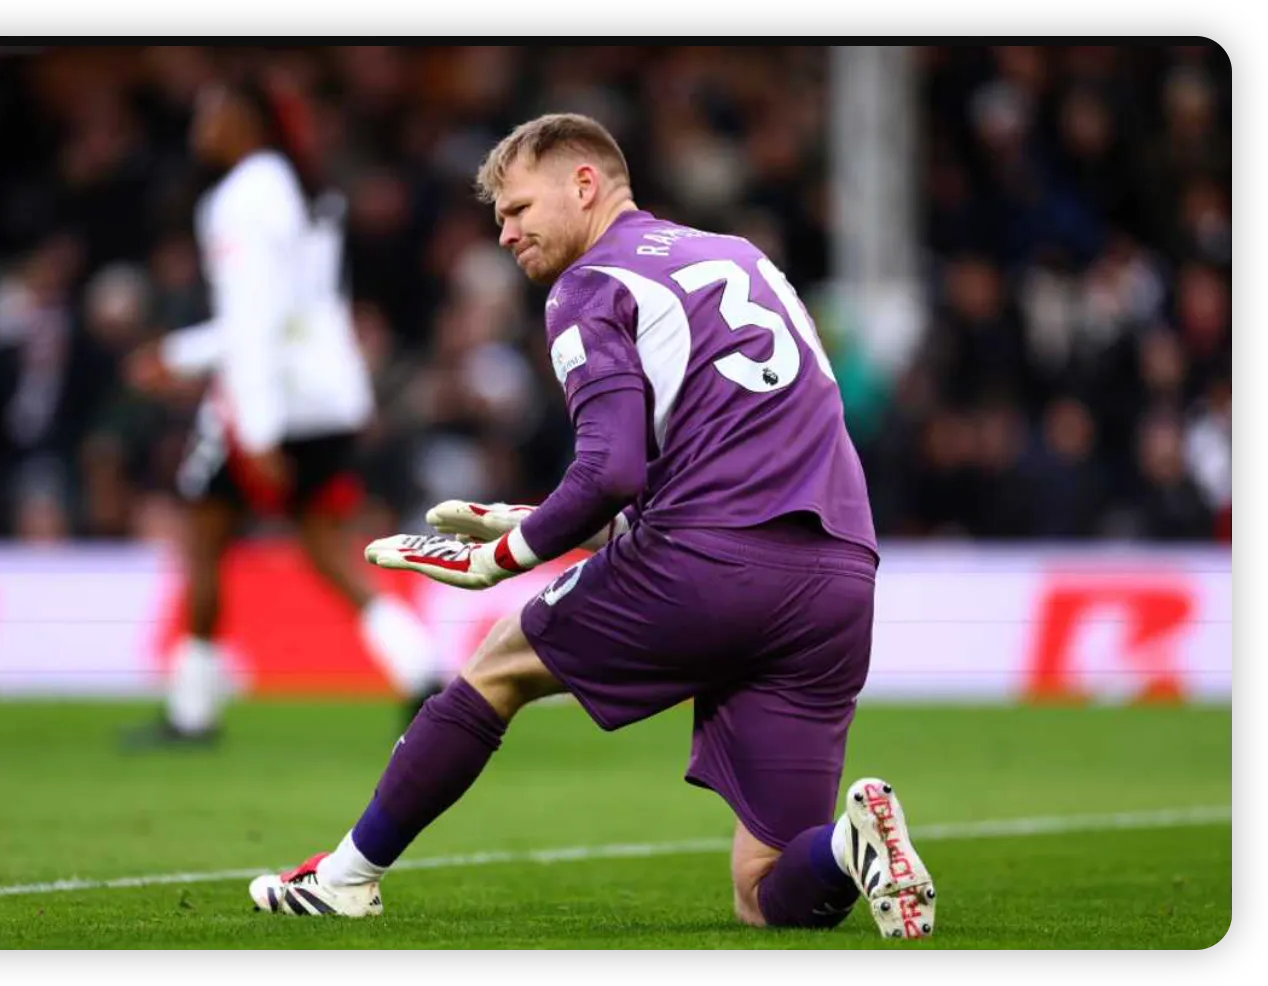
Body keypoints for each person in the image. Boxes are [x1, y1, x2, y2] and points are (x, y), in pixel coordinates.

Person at [246, 113, 937, 940]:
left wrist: (505, 557)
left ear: (584, 184)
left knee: (496, 669)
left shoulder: (590, 285)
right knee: (766, 890)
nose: (505, 234)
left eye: (517, 208)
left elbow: (611, 473)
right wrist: (547, 522)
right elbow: (720, 453)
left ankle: (346, 878)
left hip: (709, 563)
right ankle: (851, 847)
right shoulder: (736, 256)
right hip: (836, 580)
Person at [121, 76, 444, 746]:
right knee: (326, 548)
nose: (199, 123)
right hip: (330, 394)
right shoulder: (302, 190)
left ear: (244, 121)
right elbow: (286, 311)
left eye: (210, 108)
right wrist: (180, 354)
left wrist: (258, 428)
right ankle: (420, 671)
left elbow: (255, 321)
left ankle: (192, 712)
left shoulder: (240, 198)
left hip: (272, 402)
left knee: (202, 538)